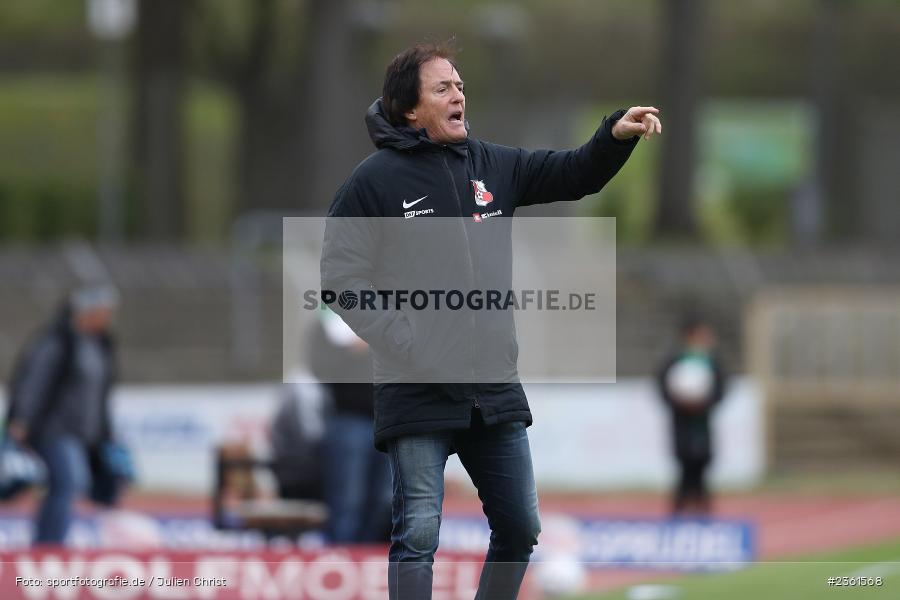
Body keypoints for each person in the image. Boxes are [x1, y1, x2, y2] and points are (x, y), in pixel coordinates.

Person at [321, 41, 660, 599]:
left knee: (521, 528)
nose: (459, 94)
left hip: (492, 389)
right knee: (419, 533)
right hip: (417, 389)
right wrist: (402, 338)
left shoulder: (493, 164)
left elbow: (574, 173)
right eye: (442, 88)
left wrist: (613, 136)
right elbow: (339, 279)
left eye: (459, 85)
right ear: (410, 108)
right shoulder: (373, 181)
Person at [5, 285, 124, 545]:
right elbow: (35, 382)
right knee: (69, 481)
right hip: (53, 428)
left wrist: (104, 429)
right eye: (103, 310)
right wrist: (22, 419)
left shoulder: (100, 344)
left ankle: (49, 541)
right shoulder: (59, 341)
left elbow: (99, 394)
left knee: (66, 485)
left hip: (82, 432)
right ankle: (49, 544)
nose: (107, 317)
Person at [657, 317, 727, 516]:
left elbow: (721, 389)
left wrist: (704, 404)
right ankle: (680, 508)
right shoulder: (674, 361)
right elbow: (662, 389)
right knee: (684, 464)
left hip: (703, 422)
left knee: (703, 464)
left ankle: (703, 507)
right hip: (681, 423)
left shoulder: (712, 362)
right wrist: (680, 403)